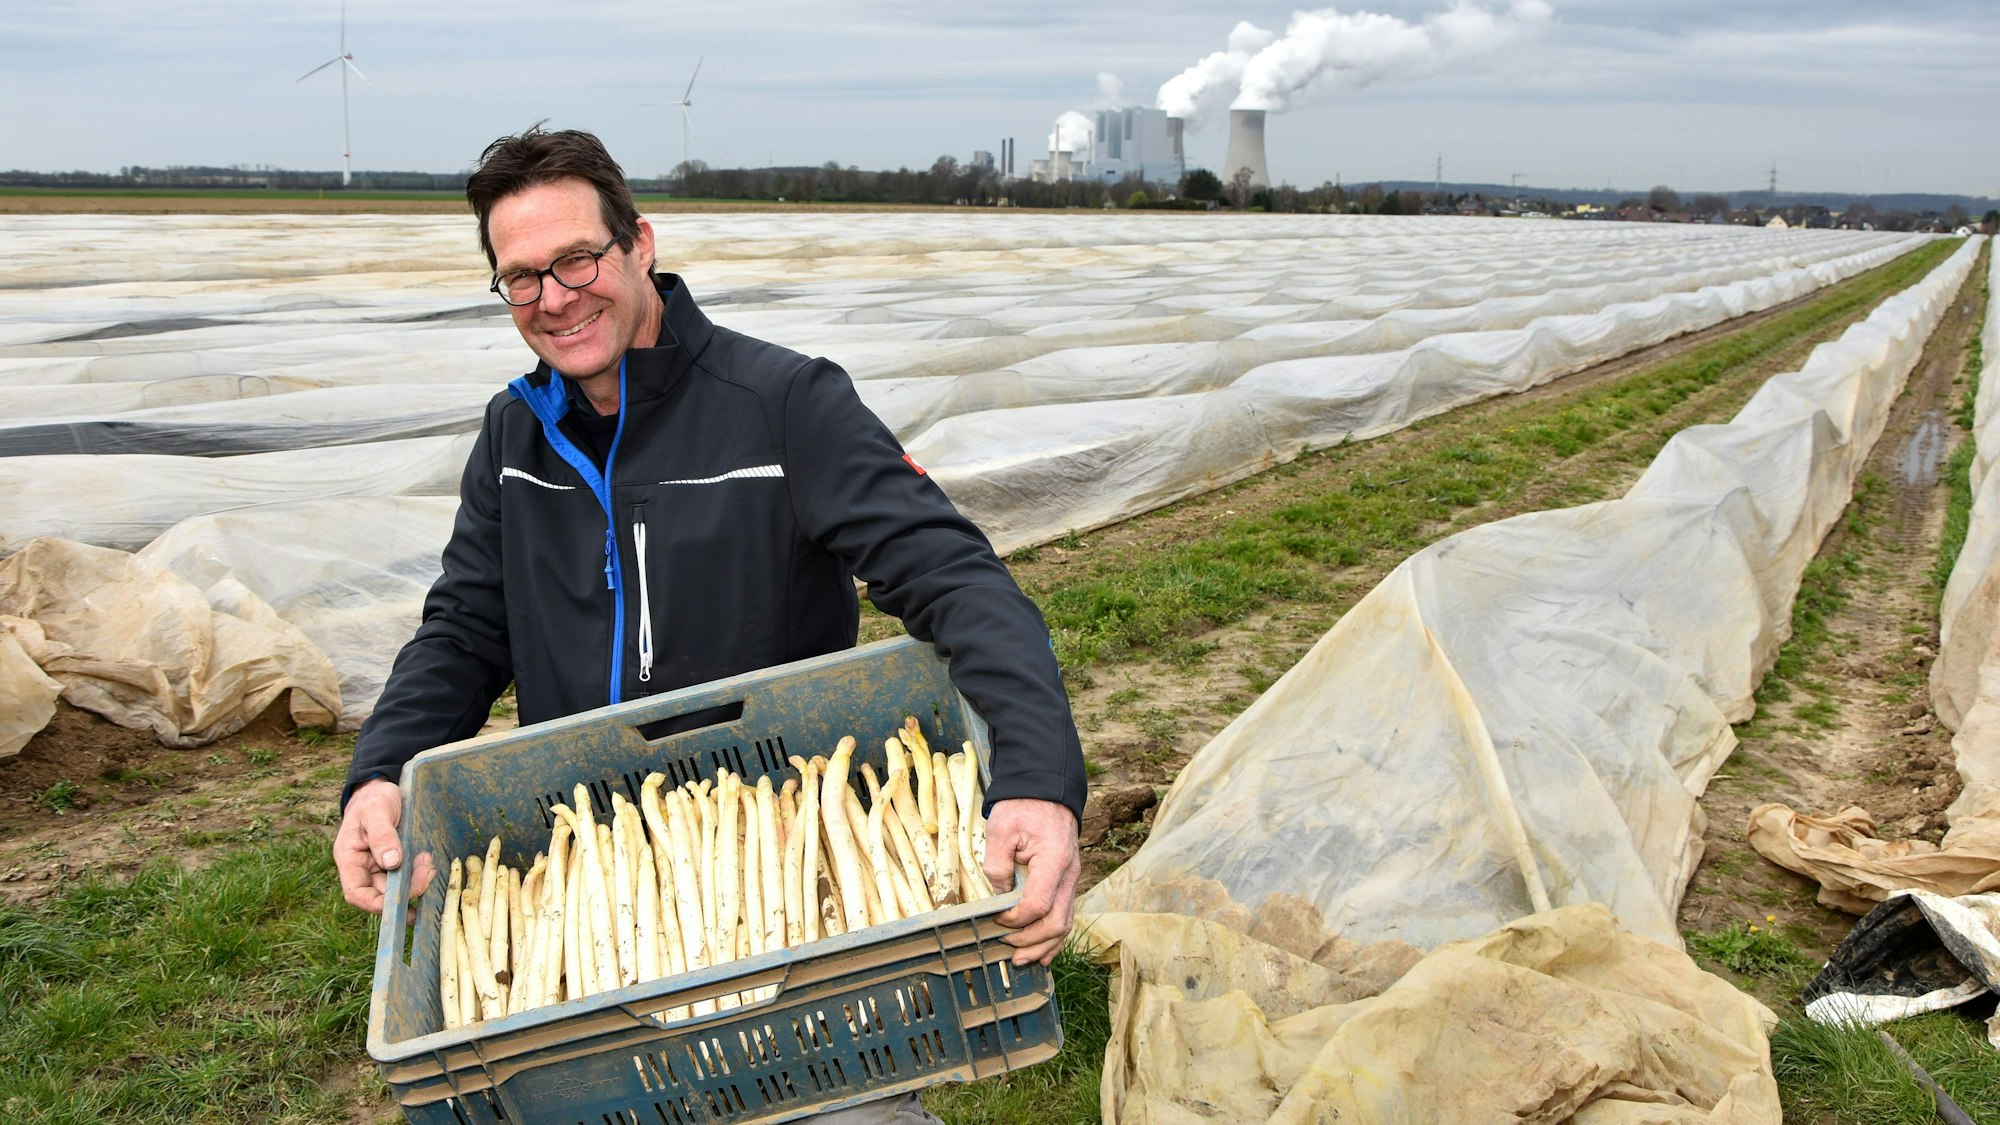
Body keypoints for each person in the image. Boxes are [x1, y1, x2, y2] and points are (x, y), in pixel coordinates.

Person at [330, 127, 1085, 1122]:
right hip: (592, 882)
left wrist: (1035, 780)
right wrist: (382, 769)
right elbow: (466, 628)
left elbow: (955, 580)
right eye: (520, 278)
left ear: (639, 243)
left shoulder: (781, 404)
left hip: (787, 870)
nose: (554, 298)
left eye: (576, 259)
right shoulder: (514, 434)